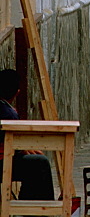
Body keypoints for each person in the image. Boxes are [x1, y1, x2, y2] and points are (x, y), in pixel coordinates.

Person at [0, 69, 55, 201]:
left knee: (33, 160)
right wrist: (24, 149)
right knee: (39, 162)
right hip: (3, 161)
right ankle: (38, 207)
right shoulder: (8, 113)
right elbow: (13, 142)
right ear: (17, 93)